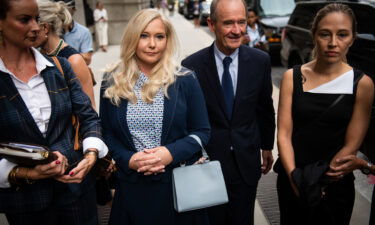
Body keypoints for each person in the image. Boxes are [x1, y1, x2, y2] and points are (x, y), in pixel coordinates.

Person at [0, 0, 108, 224]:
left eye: (37, 18)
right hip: (25, 204)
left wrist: (90, 156)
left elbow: (89, 118)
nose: (35, 27)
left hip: (76, 193)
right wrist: (29, 174)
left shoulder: (59, 67)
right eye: (24, 19)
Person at [100, 8, 211, 225]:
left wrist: (170, 153)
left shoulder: (184, 79)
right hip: (132, 187)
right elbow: (107, 132)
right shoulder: (112, 80)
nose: (152, 44)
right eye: (144, 35)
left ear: (167, 40)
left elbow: (202, 131)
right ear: (133, 38)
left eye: (159, 36)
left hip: (178, 185)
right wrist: (128, 159)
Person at [276, 3, 374, 225]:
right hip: (293, 177)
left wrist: (320, 182)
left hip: (335, 185)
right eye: (324, 34)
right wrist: (296, 180)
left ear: (352, 38)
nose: (333, 43)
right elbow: (283, 133)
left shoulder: (362, 84)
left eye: (342, 35)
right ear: (313, 35)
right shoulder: (292, 78)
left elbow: (352, 145)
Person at [182, 0, 276, 224]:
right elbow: (187, 120)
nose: (237, 30)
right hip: (207, 165)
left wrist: (266, 146)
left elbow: (264, 107)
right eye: (228, 23)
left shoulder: (260, 61)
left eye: (241, 22)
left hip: (246, 161)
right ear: (211, 24)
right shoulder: (191, 66)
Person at [34, 0, 96, 108]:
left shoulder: (74, 60)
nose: (28, 29)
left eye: (32, 22)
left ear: (45, 28)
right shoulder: (39, 55)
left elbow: (90, 111)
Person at [62, 0, 94, 65]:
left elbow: (87, 60)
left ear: (73, 9)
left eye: (66, 8)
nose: (63, 12)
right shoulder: (50, 32)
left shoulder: (84, 32)